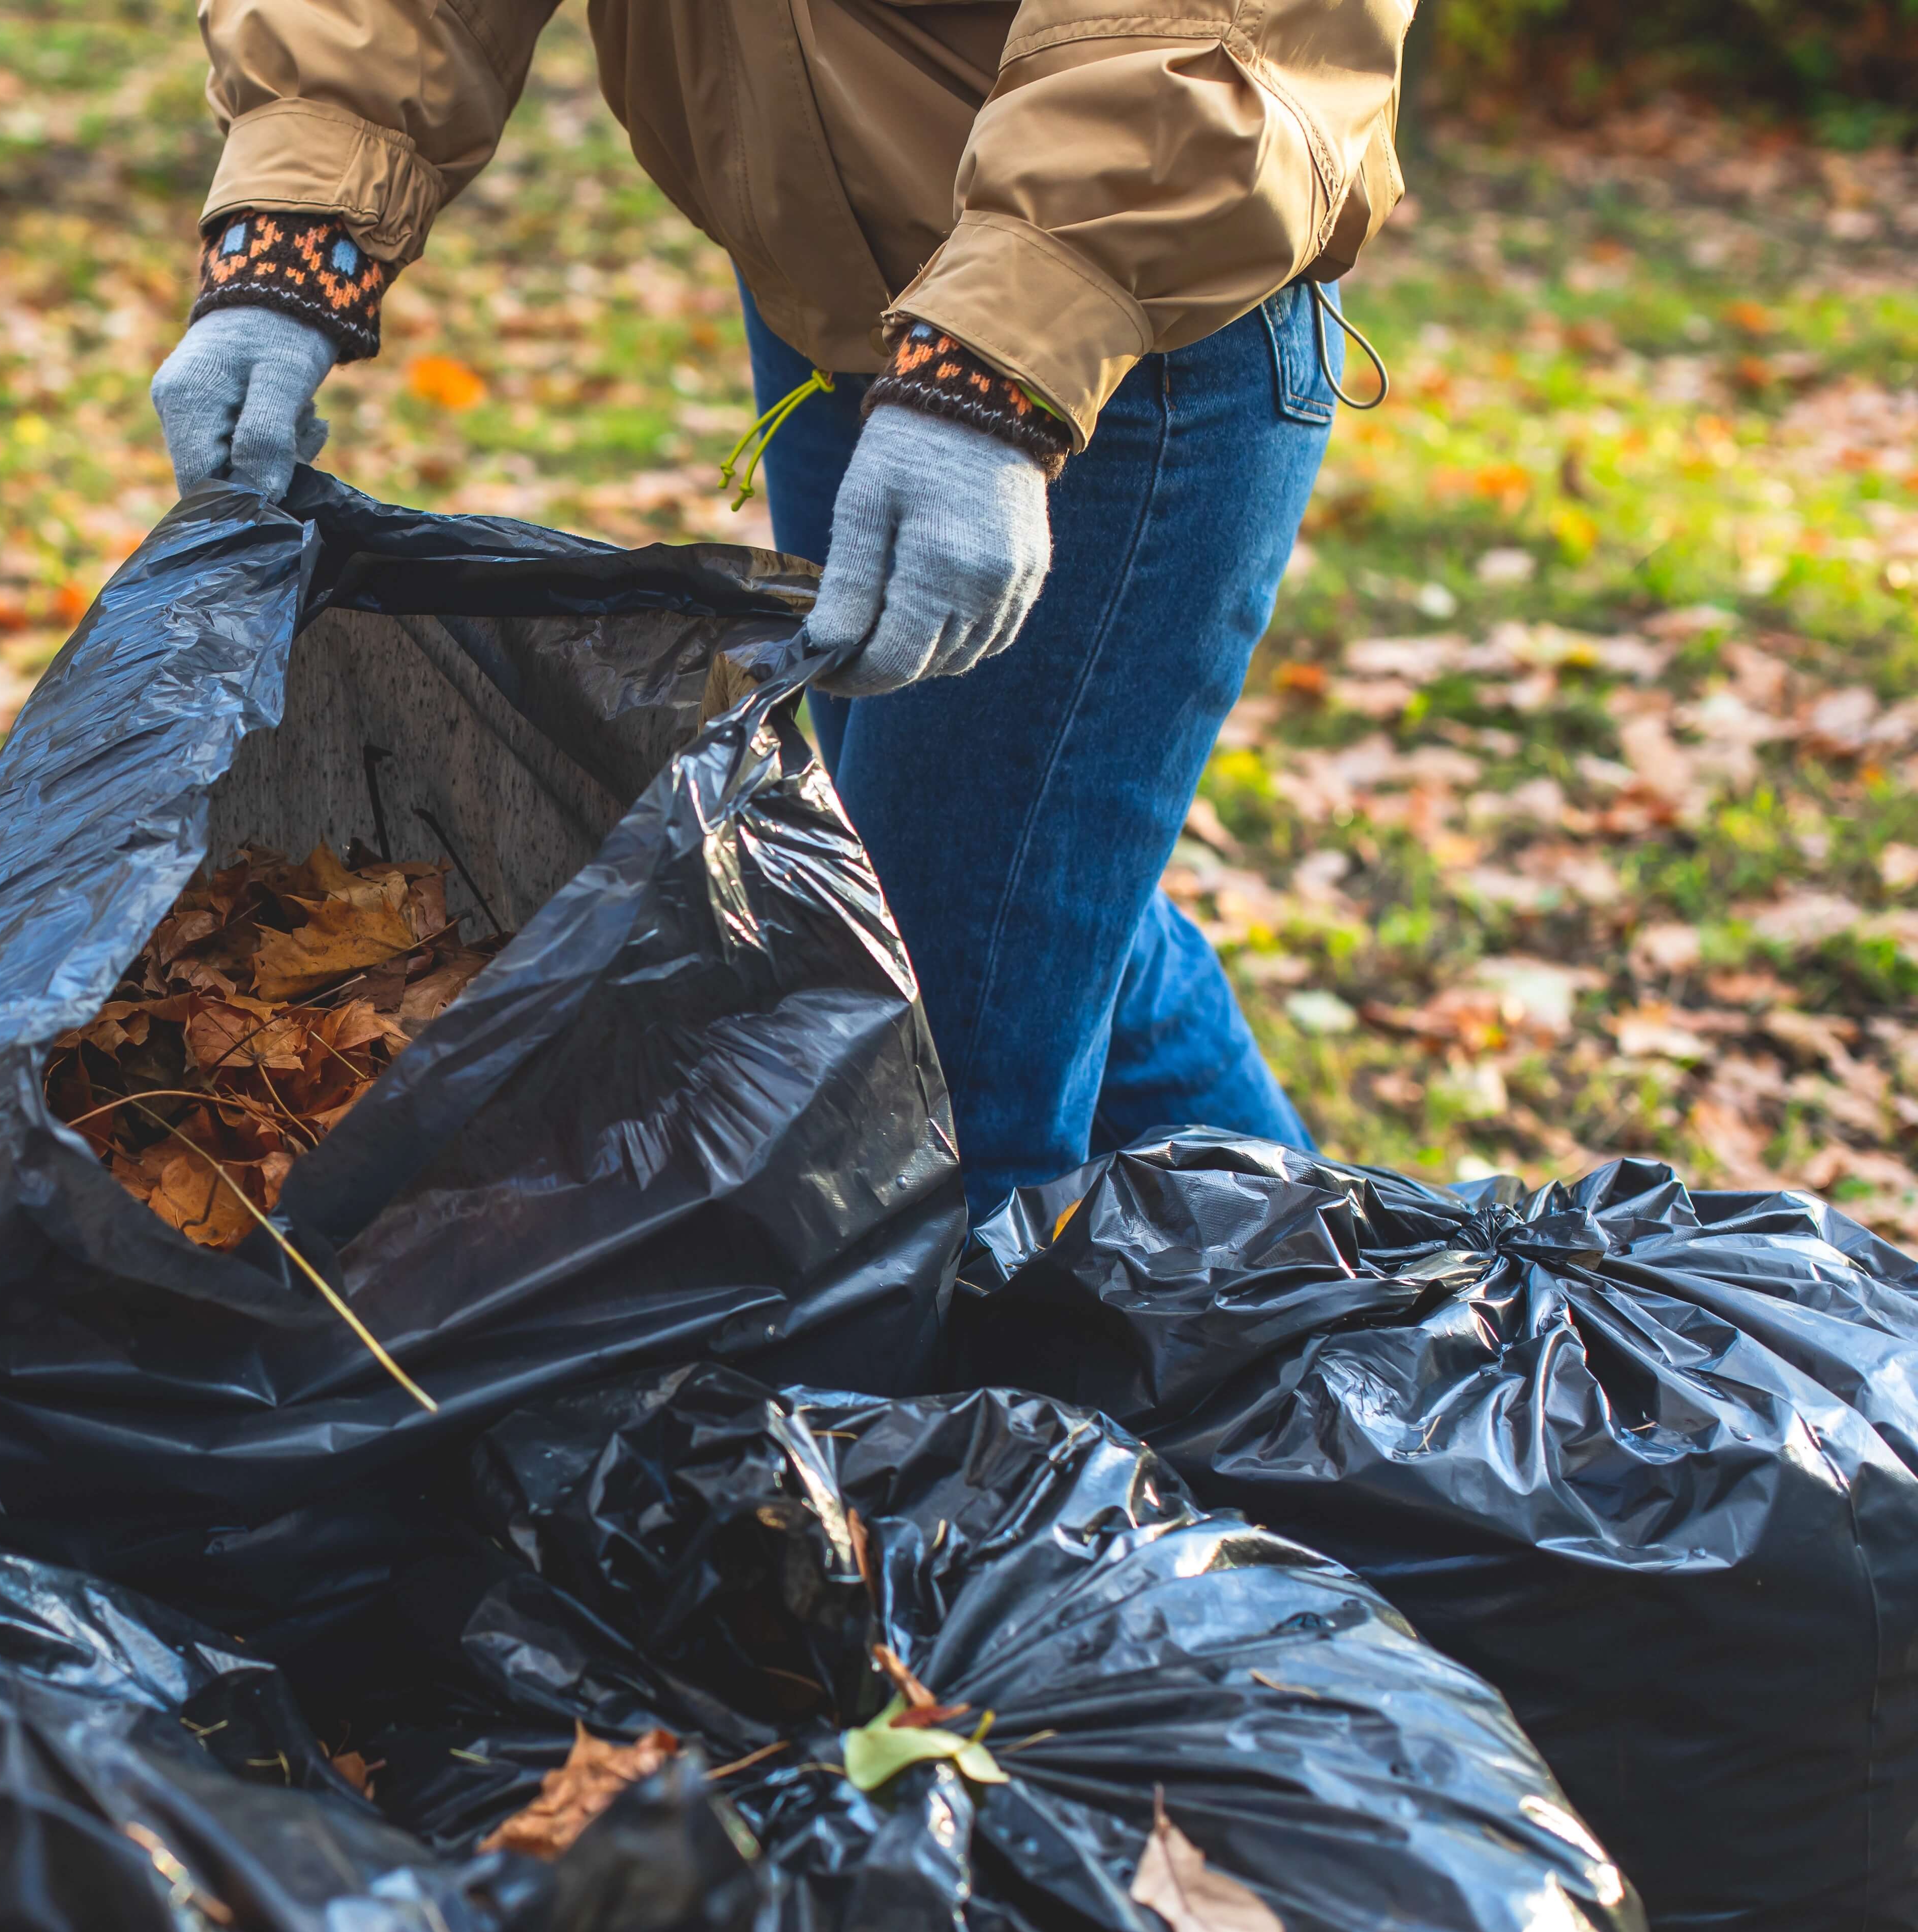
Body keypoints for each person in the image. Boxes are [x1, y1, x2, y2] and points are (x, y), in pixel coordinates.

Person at [147, 0, 1407, 1222]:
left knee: (924, 1097)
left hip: (1123, 340)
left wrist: (1011, 350)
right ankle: (1339, 1332)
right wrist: (295, 222)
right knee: (1001, 892)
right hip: (849, 311)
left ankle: (987, 1420)